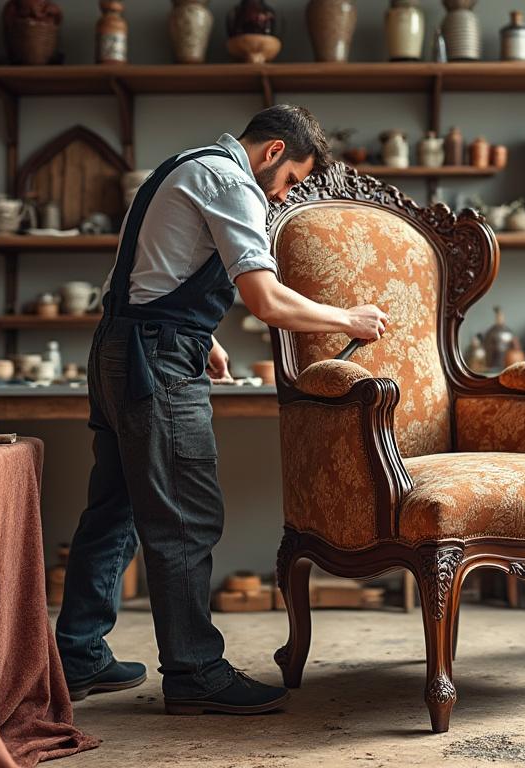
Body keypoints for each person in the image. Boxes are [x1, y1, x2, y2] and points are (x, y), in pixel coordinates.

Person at [55, 105, 389, 714]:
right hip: (154, 361)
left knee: (114, 508)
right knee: (185, 518)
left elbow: (138, 278)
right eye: (289, 179)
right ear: (271, 153)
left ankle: (78, 656)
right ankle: (194, 672)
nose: (284, 193)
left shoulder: (179, 167)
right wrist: (349, 318)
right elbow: (264, 299)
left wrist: (201, 335)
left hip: (118, 349)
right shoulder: (233, 182)